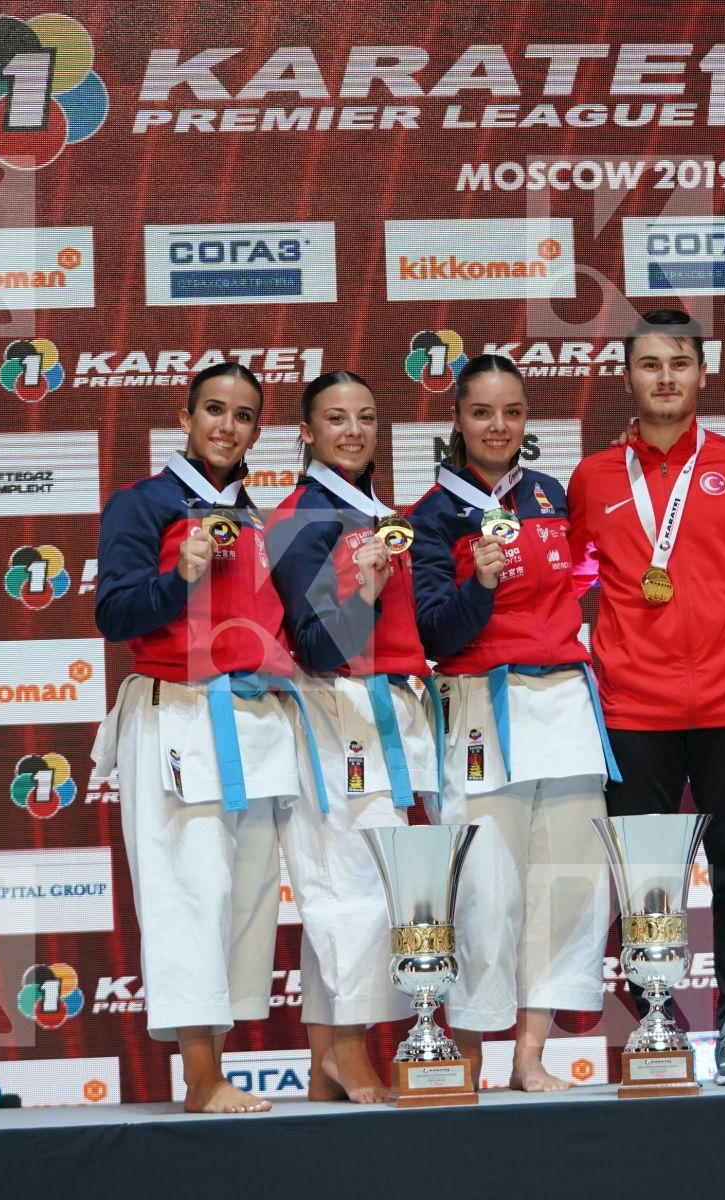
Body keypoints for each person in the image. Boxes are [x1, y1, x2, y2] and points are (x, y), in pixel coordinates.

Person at [91, 361, 318, 1114]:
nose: (227, 426)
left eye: (244, 415)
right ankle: (200, 1079)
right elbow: (114, 615)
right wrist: (176, 580)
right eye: (214, 410)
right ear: (185, 417)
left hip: (255, 726)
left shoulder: (257, 518)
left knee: (243, 898)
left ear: (259, 429)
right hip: (176, 718)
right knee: (188, 893)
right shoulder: (143, 503)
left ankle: (218, 1067)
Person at [567, 308, 725, 1085]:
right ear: (629, 376)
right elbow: (573, 576)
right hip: (634, 710)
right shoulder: (592, 478)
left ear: (701, 372)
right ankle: (657, 1029)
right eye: (650, 364)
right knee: (646, 887)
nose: (665, 378)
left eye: (679, 364)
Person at [408, 353, 619, 1092]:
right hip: (479, 709)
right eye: (482, 412)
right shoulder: (432, 515)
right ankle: (467, 1055)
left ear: (526, 421)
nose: (498, 426)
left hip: (562, 702)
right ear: (457, 420)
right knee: (484, 890)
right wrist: (480, 586)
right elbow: (434, 635)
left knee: (567, 884)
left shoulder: (551, 495)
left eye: (512, 412)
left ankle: (532, 1055)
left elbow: (585, 578)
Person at [268, 370, 438, 1103]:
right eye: (335, 419)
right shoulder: (301, 518)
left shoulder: (377, 511)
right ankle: (349, 1050)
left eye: (366, 417)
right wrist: (364, 588)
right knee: (351, 892)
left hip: (379, 713)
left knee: (346, 889)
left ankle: (324, 1063)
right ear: (306, 432)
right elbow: (316, 644)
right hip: (334, 713)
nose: (354, 431)